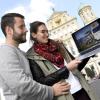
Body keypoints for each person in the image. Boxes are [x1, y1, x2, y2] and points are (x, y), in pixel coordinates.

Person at [0, 13, 70, 100]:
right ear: (9, 30)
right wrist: (51, 91)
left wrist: (53, 43)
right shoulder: (4, 51)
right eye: (21, 27)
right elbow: (22, 86)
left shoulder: (21, 53)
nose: (26, 30)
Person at [27, 21, 97, 100]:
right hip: (64, 97)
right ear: (34, 35)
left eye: (47, 31)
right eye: (43, 32)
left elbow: (75, 68)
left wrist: (88, 55)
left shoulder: (58, 45)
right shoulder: (31, 56)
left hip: (82, 90)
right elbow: (41, 82)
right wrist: (66, 69)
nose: (47, 34)